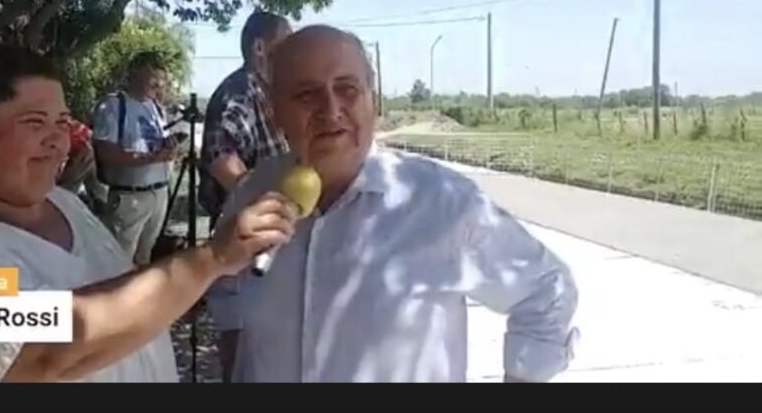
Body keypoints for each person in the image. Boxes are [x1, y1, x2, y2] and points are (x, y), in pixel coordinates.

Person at [0, 44, 296, 383]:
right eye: (35, 122)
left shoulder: (63, 202)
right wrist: (212, 259)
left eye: (62, 123)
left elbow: (114, 296)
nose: (58, 141)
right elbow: (50, 350)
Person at [207, 25, 579, 382]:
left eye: (347, 89)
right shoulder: (252, 195)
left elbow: (547, 290)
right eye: (307, 95)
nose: (331, 110)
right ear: (274, 112)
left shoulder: (442, 203)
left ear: (374, 101)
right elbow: (227, 294)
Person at [198, 10, 291, 380]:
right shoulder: (240, 91)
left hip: (268, 246)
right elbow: (220, 157)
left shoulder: (266, 92)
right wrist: (260, 207)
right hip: (245, 249)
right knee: (243, 359)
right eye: (287, 42)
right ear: (260, 48)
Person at [92, 52, 177, 266]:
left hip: (159, 194)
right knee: (120, 260)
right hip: (131, 197)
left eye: (161, 78)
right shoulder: (113, 105)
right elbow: (105, 151)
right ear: (135, 73)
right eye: (153, 77)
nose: (158, 84)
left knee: (144, 259)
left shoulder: (155, 107)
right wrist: (151, 158)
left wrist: (169, 147)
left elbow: (156, 144)